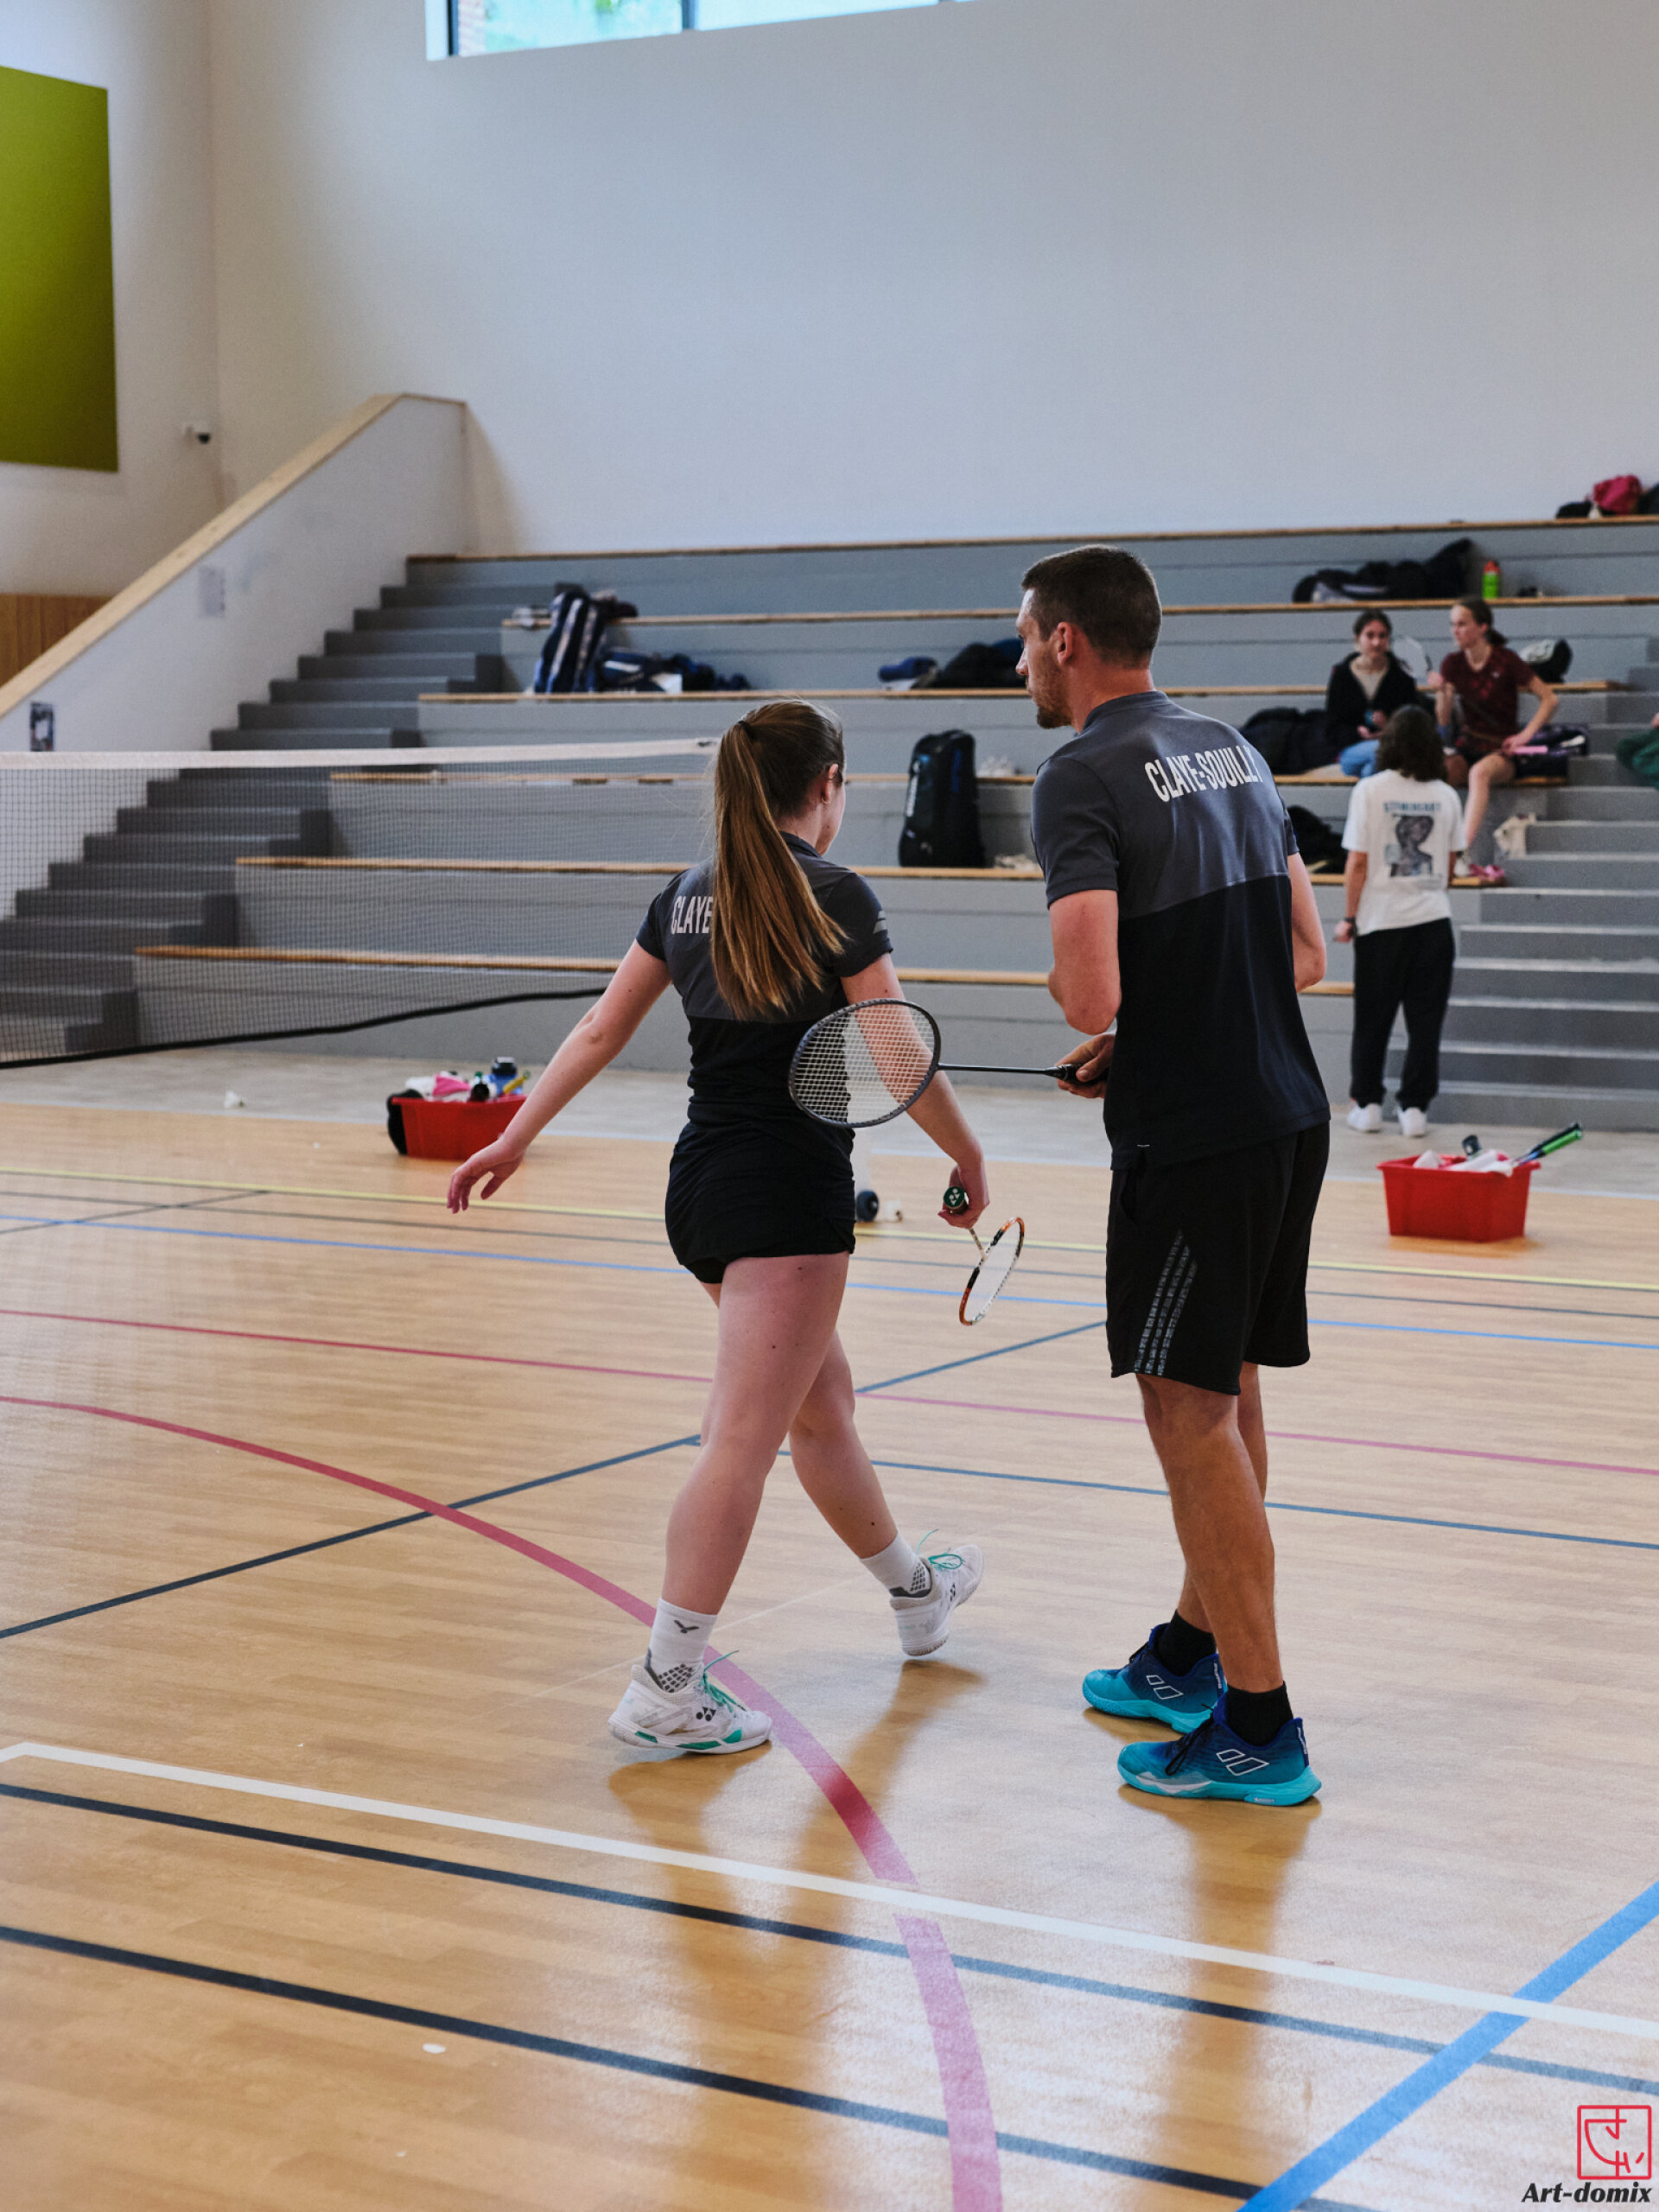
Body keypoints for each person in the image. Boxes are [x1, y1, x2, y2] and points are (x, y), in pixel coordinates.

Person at [448, 700, 987, 1755]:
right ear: (827, 785)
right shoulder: (836, 893)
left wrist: (514, 1135)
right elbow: (896, 1053)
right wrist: (967, 1157)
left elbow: (600, 1027)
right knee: (741, 1439)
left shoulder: (688, 893)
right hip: (785, 1196)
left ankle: (917, 1595)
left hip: (700, 1189)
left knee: (820, 1408)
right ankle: (666, 1686)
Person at [1019, 545, 1330, 1808]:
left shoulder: (1080, 775)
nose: (1024, 662)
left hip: (1195, 1142)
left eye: (1027, 638)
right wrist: (1152, 1033)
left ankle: (1257, 1726)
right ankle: (1192, 1655)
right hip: (1286, 1114)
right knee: (1228, 1389)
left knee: (1186, 1415)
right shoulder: (1236, 751)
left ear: (1067, 641)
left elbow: (1088, 989)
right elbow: (1305, 953)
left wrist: (1099, 1013)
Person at [1335, 707, 1465, 1141]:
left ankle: (1368, 1104)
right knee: (1426, 1024)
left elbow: (1357, 863)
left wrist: (1349, 917)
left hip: (1381, 922)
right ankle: (1414, 1110)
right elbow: (1450, 865)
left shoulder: (1369, 790)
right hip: (1433, 921)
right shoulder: (1446, 795)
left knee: (1372, 1020)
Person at [1429, 598, 1557, 880]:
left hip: (1502, 751)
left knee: (1479, 773)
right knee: (1438, 771)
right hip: (1467, 745)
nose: (1455, 630)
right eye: (1452, 624)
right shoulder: (1452, 663)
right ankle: (1428, 849)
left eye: (1462, 624)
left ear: (1482, 627)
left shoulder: (1506, 660)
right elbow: (1443, 719)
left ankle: (1461, 852)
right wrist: (1442, 693)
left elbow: (1550, 699)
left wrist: (1524, 736)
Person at [1325, 611, 1424, 778]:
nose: (1377, 642)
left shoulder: (1402, 674)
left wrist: (1389, 727)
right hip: (1351, 750)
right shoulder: (1342, 674)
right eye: (1370, 636)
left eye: (1382, 636)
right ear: (1357, 639)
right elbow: (1332, 727)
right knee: (1378, 752)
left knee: (1371, 767)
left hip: (1392, 746)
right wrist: (1358, 733)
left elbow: (1412, 722)